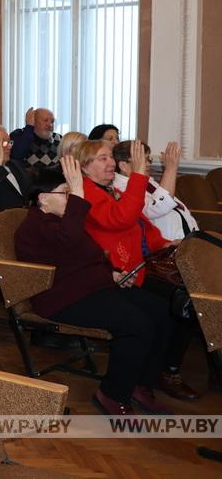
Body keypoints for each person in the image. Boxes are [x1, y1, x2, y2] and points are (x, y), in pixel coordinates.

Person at [15, 158, 175, 415]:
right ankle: (112, 394)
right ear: (42, 198)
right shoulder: (34, 225)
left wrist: (112, 274)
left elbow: (89, 256)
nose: (72, 197)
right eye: (65, 192)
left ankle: (139, 384)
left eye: (71, 192)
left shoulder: (64, 220)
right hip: (61, 298)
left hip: (93, 287)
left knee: (162, 311)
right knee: (137, 325)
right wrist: (78, 192)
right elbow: (70, 241)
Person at [78, 139, 199, 401]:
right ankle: (126, 387)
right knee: (161, 313)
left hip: (135, 269)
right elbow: (121, 218)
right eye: (102, 158)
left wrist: (166, 243)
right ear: (85, 168)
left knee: (171, 311)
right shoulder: (86, 193)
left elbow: (142, 227)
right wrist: (139, 175)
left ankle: (144, 380)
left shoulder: (110, 189)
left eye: (111, 157)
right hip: (109, 275)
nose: (110, 163)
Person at [113, 141, 198, 241]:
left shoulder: (148, 181)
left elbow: (174, 204)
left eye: (149, 159)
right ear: (123, 166)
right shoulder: (120, 189)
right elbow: (155, 209)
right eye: (142, 160)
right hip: (165, 243)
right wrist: (170, 170)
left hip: (186, 235)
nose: (148, 164)